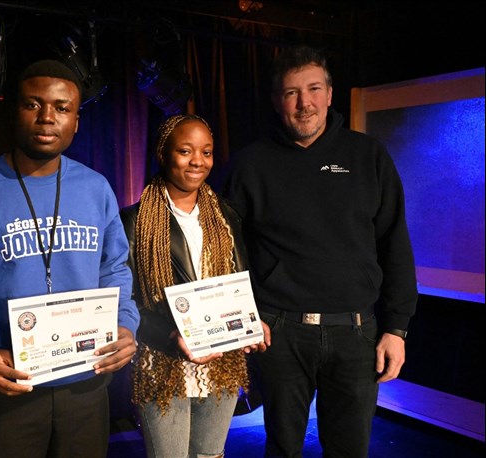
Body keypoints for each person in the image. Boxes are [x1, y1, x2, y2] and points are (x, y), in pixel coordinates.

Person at [0, 59, 140, 458]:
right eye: (33, 104)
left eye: (62, 108)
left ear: (76, 121)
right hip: (9, 387)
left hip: (86, 385)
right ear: (14, 110)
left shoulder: (96, 189)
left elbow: (114, 269)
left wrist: (125, 324)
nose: (47, 118)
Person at [221, 45, 417, 457]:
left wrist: (396, 329)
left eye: (313, 89)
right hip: (279, 332)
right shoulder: (250, 164)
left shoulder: (369, 156)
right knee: (282, 449)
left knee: (349, 451)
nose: (304, 103)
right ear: (277, 101)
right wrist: (244, 315)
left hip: (356, 334)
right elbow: (225, 250)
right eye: (291, 92)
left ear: (329, 94)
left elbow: (395, 244)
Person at [120, 114, 257, 458]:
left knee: (210, 455)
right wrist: (171, 335)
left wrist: (252, 321)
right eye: (185, 151)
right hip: (162, 361)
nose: (198, 161)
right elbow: (125, 302)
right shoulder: (133, 221)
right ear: (163, 154)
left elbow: (240, 281)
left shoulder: (225, 216)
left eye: (206, 152)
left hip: (222, 360)